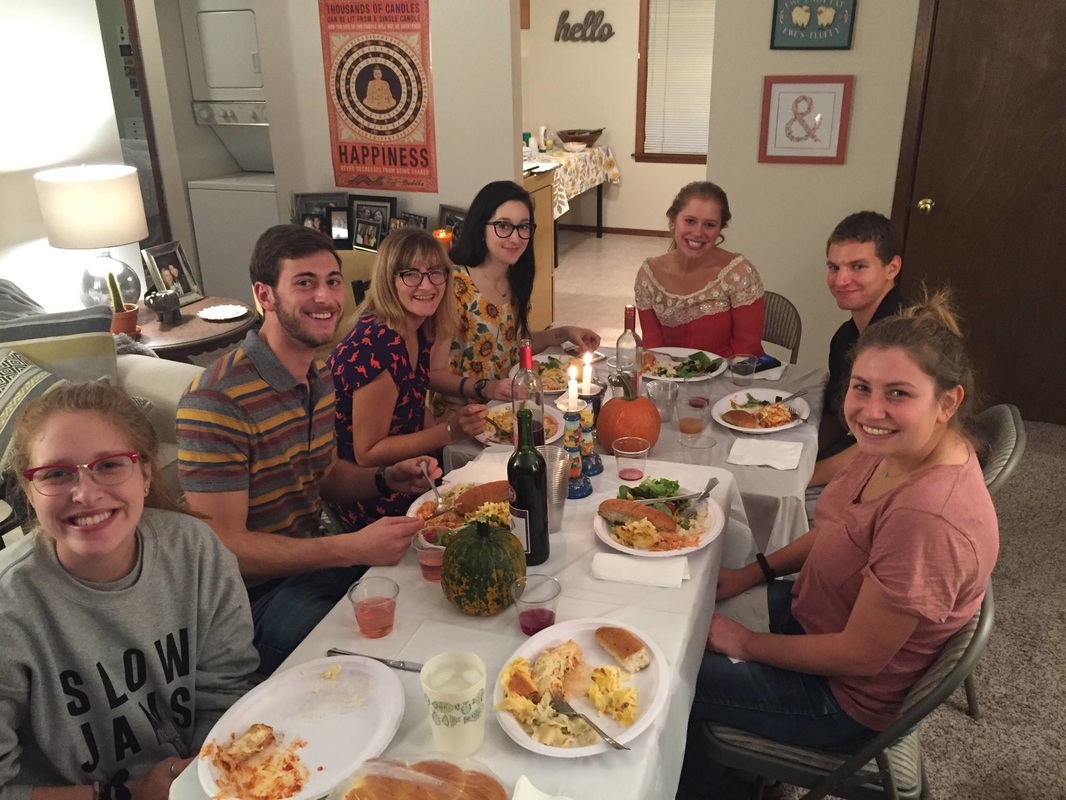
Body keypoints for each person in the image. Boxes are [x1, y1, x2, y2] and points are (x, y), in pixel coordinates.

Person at [686, 290, 998, 799]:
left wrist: (745, 644)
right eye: (862, 387)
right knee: (682, 611)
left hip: (840, 701)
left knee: (671, 677)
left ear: (947, 403)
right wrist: (753, 573)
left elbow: (860, 656)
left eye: (899, 393)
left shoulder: (928, 519)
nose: (872, 410)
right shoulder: (895, 446)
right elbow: (838, 530)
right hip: (815, 612)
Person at [176, 224, 439, 674]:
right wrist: (350, 547)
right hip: (250, 601)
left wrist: (386, 478)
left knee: (428, 590)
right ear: (265, 295)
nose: (325, 297)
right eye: (304, 282)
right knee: (376, 662)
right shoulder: (215, 400)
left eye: (333, 282)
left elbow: (327, 476)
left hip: (312, 565)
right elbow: (226, 549)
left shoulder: (318, 377)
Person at [0, 382, 258, 799]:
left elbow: (226, 689)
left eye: (109, 465)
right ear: (30, 490)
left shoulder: (195, 550)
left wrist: (202, 778)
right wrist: (127, 794)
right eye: (56, 474)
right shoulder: (9, 607)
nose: (86, 493)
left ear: (145, 473)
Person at [328, 228, 487, 531]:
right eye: (411, 274)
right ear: (388, 280)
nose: (426, 285)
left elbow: (413, 405)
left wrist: (447, 451)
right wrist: (448, 432)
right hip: (370, 496)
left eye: (435, 272)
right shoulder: (378, 345)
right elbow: (367, 453)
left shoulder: (417, 328)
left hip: (409, 471)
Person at [428, 180, 600, 417]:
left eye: (523, 227)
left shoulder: (514, 277)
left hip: (506, 408)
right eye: (503, 226)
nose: (516, 238)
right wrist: (484, 388)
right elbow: (433, 374)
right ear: (480, 229)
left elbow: (513, 344)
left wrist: (564, 333)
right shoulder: (455, 284)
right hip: (463, 418)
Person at [810, 211, 907, 489]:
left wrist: (809, 476)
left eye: (858, 266)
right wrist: (802, 456)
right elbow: (836, 415)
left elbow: (890, 442)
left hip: (901, 470)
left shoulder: (904, 341)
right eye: (834, 267)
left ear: (892, 268)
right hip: (863, 445)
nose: (841, 280)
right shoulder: (845, 337)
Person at [634, 181, 765, 358]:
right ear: (673, 221)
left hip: (731, 372)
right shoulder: (649, 275)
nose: (697, 232)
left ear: (720, 229)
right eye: (690, 221)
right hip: (668, 373)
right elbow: (653, 347)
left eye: (709, 225)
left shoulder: (739, 274)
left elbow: (746, 350)